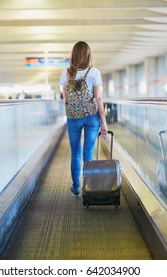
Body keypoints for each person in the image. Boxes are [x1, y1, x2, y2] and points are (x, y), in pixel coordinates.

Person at [60, 41, 108, 197]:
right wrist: (103, 122)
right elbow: (99, 99)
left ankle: (76, 187)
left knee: (75, 153)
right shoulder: (94, 72)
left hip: (73, 117)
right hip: (91, 117)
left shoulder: (65, 73)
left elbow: (66, 99)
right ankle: (89, 187)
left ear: (73, 54)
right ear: (88, 55)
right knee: (88, 153)